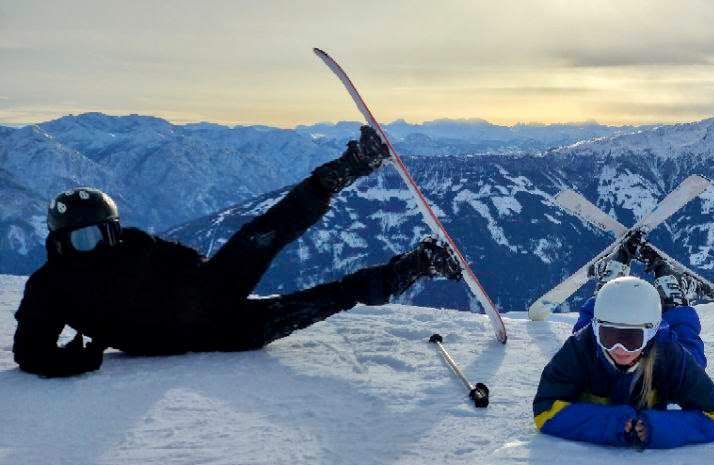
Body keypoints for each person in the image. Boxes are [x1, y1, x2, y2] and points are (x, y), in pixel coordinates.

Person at [12, 127, 462, 378]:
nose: (93, 246)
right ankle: (414, 267)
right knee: (326, 298)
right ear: (58, 241)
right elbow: (30, 352)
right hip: (214, 331)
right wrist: (79, 360)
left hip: (209, 287)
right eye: (80, 239)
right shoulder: (50, 288)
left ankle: (356, 163)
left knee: (271, 226)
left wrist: (202, 270)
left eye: (100, 234)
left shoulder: (128, 243)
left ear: (112, 229)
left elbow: (174, 254)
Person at [533, 236, 714, 449]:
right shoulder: (582, 346)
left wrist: (654, 427)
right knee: (583, 330)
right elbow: (545, 409)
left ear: (651, 333)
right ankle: (610, 289)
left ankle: (673, 299)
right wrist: (614, 423)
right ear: (598, 330)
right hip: (596, 335)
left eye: (631, 339)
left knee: (691, 354)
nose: (619, 349)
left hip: (662, 346)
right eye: (608, 336)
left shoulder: (670, 356)